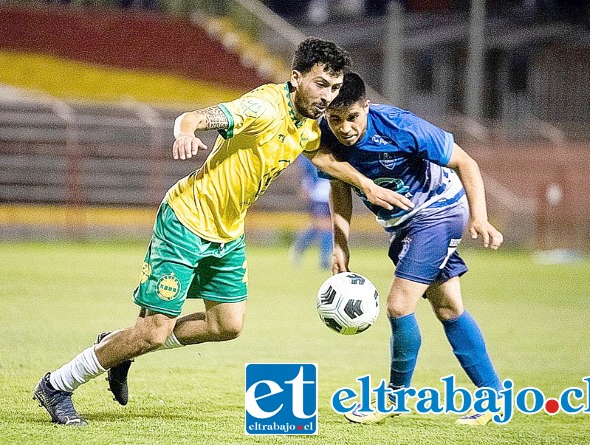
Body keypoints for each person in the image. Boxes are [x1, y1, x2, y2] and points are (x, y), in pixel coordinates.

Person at [32, 38, 414, 427]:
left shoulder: (309, 128)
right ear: (297, 78)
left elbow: (326, 161)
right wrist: (184, 132)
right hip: (185, 219)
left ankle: (118, 345)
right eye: (320, 84)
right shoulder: (262, 107)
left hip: (227, 232)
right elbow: (194, 117)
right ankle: (57, 385)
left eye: (334, 88)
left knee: (226, 325)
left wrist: (366, 186)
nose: (327, 96)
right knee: (153, 332)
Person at [321, 72, 504, 426]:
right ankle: (493, 397)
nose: (344, 128)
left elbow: (466, 162)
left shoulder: (399, 126)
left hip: (438, 212)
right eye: (335, 118)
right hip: (405, 225)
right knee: (449, 308)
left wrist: (479, 217)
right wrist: (340, 244)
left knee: (398, 305)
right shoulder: (327, 136)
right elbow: (340, 187)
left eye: (353, 117)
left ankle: (394, 399)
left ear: (366, 107)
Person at [291, 154, 333, 269]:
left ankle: (299, 246)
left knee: (320, 226)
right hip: (319, 194)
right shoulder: (309, 150)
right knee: (325, 226)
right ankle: (325, 260)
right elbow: (305, 172)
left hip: (334, 192)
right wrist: (305, 188)